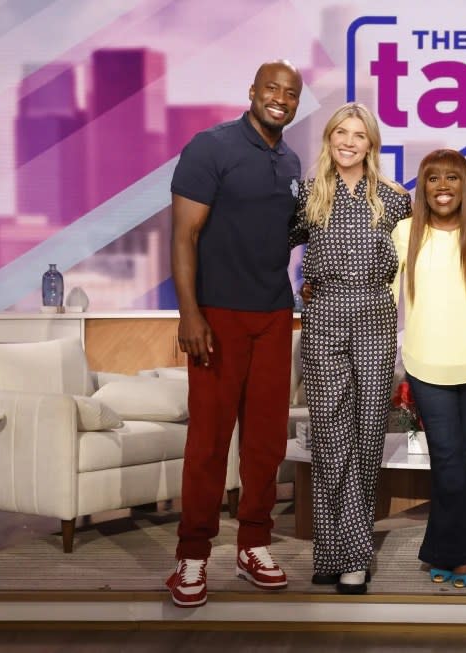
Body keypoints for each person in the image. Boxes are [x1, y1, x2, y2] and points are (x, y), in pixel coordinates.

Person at [166, 60, 302, 608]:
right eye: (271, 88)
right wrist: (190, 313)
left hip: (273, 316)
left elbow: (287, 240)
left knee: (266, 443)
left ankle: (253, 546)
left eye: (290, 93)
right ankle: (192, 557)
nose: (280, 98)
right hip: (217, 316)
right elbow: (183, 236)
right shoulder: (210, 147)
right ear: (252, 91)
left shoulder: (291, 160)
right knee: (208, 442)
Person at [290, 102, 410, 595]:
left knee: (365, 437)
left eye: (359, 134)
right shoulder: (308, 196)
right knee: (329, 435)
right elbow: (271, 245)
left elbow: (432, 248)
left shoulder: (395, 199)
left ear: (371, 143)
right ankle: (333, 550)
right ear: (329, 138)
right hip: (323, 316)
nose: (349, 141)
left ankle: (350, 553)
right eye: (341, 131)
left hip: (376, 315)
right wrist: (301, 292)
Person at [391, 149, 466, 589]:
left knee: (464, 459)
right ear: (422, 187)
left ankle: (444, 551)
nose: (443, 186)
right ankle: (464, 552)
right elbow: (384, 294)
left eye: (452, 178)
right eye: (433, 178)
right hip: (426, 363)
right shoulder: (405, 232)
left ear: (465, 184)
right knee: (445, 461)